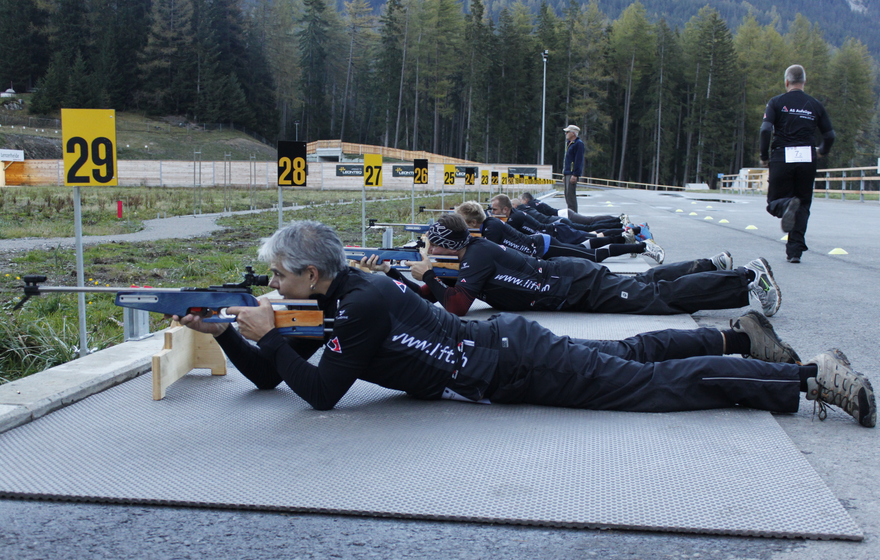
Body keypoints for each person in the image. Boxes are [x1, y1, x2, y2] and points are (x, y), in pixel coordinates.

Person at [176, 220, 876, 428]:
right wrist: (235, 336)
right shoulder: (344, 299)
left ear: (310, 274)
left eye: (278, 276)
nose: (272, 287)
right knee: (632, 356)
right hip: (506, 349)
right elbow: (277, 376)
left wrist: (266, 334)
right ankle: (734, 335)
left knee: (649, 385)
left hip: (510, 364)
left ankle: (809, 377)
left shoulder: (358, 306)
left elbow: (321, 392)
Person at [393, 213, 781, 318]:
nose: (426, 254)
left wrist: (427, 273)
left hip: (572, 285)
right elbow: (433, 295)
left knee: (656, 298)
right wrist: (395, 276)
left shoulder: (476, 256)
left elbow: (456, 305)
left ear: (445, 248)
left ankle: (746, 278)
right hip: (569, 284)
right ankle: (711, 264)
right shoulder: (469, 259)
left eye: (429, 248)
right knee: (648, 285)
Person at [760, 64, 835, 264]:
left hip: (782, 155)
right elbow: (829, 134)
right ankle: (794, 252)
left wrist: (764, 156)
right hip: (806, 157)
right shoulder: (815, 105)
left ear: (786, 81)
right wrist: (821, 151)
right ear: (804, 81)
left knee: (773, 203)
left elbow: (766, 130)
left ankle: (785, 205)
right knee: (803, 204)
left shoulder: (776, 102)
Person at [455, 200, 664, 263]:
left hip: (546, 245)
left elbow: (488, 254)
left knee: (593, 253)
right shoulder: (489, 225)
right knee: (590, 244)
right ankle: (632, 236)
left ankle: (643, 245)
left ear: (473, 222)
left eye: (462, 223)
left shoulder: (491, 227)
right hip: (545, 245)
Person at [520, 191, 624, 231]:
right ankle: (615, 221)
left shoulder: (530, 206)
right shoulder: (536, 201)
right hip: (565, 213)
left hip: (565, 215)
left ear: (525, 200)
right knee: (590, 222)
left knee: (589, 222)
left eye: (521, 200)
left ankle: (616, 220)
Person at [562, 125, 585, 212]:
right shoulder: (569, 143)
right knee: (567, 195)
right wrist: (564, 173)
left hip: (572, 173)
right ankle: (570, 213)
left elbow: (578, 160)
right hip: (568, 172)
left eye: (568, 132)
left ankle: (574, 215)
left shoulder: (578, 144)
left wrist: (575, 174)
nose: (566, 134)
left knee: (571, 196)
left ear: (573, 133)